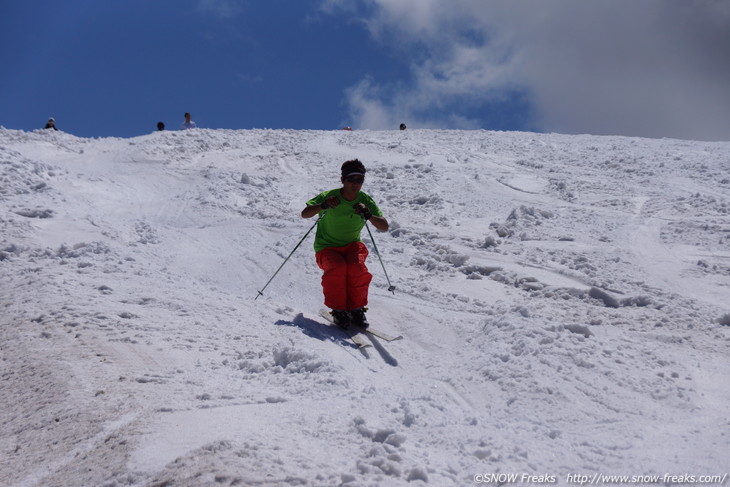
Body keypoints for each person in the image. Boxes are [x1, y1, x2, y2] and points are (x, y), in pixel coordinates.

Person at [301, 159, 389, 329]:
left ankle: (357, 308)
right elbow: (305, 214)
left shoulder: (365, 200)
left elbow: (384, 226)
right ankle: (339, 310)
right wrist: (324, 205)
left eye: (360, 180)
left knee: (357, 268)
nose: (355, 184)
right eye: (351, 179)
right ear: (342, 180)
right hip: (326, 247)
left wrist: (368, 214)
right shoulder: (330, 196)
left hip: (352, 245)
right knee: (338, 268)